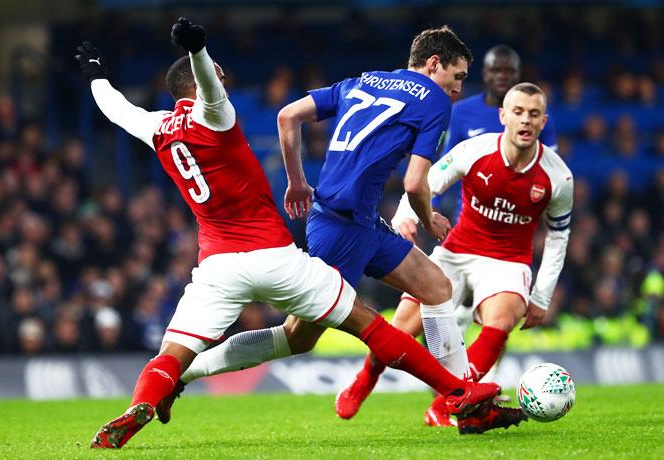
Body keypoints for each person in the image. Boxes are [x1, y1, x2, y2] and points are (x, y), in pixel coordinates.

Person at [78, 18, 501, 449]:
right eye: (219, 75)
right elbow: (209, 84)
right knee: (362, 324)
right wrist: (198, 49)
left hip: (217, 266)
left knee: (170, 355)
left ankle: (149, 396)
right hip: (275, 255)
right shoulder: (217, 115)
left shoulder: (157, 129)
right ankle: (459, 391)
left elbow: (115, 108)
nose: (224, 80)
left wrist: (95, 74)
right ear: (210, 83)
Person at [173, 26, 524, 435]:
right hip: (341, 231)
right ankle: (186, 372)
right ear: (434, 65)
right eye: (458, 76)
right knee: (298, 338)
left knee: (436, 286)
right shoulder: (433, 100)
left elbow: (288, 116)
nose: (459, 88)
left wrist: (297, 180)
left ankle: (466, 401)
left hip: (356, 220)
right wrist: (429, 219)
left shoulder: (365, 79)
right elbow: (414, 183)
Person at [335, 82, 573, 427]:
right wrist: (405, 217)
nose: (525, 120)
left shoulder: (558, 176)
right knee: (401, 327)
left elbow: (558, 236)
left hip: (507, 262)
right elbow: (426, 181)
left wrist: (541, 296)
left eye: (534, 114)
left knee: (502, 319)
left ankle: (455, 400)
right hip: (457, 251)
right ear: (503, 116)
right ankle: (364, 382)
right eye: (518, 112)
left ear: (543, 121)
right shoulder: (474, 151)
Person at [444, 44, 557, 152]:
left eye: (509, 71)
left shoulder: (536, 113)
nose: (502, 76)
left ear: (519, 74)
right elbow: (447, 161)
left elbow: (551, 165)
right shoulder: (460, 111)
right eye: (496, 70)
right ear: (485, 73)